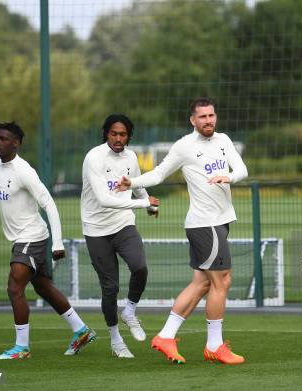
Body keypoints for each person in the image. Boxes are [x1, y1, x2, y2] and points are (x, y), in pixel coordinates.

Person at [116, 97, 248, 365]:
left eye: (211, 115)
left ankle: (166, 336)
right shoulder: (184, 146)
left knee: (202, 283)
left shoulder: (223, 140)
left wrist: (229, 177)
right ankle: (215, 345)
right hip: (204, 224)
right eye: (202, 117)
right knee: (222, 281)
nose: (208, 120)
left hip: (221, 221)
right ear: (192, 120)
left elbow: (242, 170)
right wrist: (133, 182)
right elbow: (159, 174)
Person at [0, 122, 96, 359]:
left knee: (14, 288)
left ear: (16, 143)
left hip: (32, 237)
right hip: (23, 239)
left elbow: (48, 204)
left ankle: (22, 348)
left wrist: (57, 243)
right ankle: (81, 330)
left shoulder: (23, 170)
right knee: (43, 287)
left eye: (3, 139)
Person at [81, 114, 160, 358]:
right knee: (110, 287)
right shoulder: (93, 157)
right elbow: (105, 200)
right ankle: (116, 340)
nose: (118, 138)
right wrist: (143, 203)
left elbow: (135, 184)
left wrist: (148, 204)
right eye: (114, 133)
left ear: (128, 136)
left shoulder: (131, 157)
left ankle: (129, 311)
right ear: (106, 133)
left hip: (124, 224)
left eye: (123, 134)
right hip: (96, 229)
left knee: (140, 267)